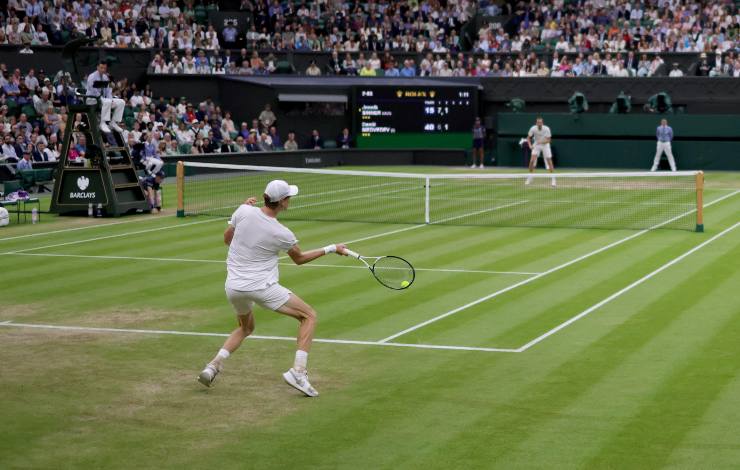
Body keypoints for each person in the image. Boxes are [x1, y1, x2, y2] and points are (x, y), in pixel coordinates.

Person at [197, 180, 349, 397]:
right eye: (289, 197)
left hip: (233, 287)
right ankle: (298, 372)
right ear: (283, 202)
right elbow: (299, 258)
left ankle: (213, 366)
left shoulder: (243, 210)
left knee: (246, 328)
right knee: (309, 316)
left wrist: (242, 214)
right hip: (261, 288)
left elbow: (227, 239)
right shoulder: (282, 232)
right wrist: (332, 248)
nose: (291, 200)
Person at [86, 61, 125, 134]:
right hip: (92, 99)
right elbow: (94, 91)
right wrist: (106, 100)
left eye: (104, 68)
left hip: (103, 99)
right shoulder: (92, 77)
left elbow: (108, 91)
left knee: (121, 102)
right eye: (101, 68)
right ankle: (102, 123)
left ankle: (113, 122)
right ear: (97, 67)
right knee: (107, 102)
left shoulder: (105, 77)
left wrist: (111, 100)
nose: (103, 70)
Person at [526, 117, 556, 187]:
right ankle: (530, 177)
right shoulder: (533, 128)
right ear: (536, 123)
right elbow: (528, 137)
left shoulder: (547, 129)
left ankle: (553, 179)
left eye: (540, 122)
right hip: (537, 145)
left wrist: (541, 141)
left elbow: (549, 140)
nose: (539, 124)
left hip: (545, 145)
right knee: (532, 161)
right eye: (538, 122)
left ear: (542, 123)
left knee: (549, 161)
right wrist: (530, 145)